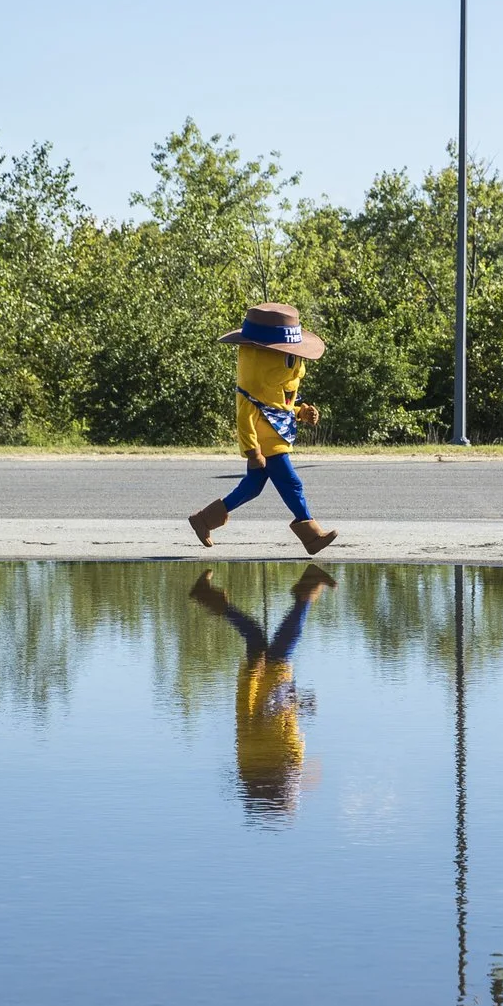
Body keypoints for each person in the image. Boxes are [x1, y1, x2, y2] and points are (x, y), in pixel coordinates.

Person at [188, 301, 338, 554]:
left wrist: (303, 412)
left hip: (273, 441)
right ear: (257, 356)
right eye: (290, 359)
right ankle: (311, 535)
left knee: (252, 488)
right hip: (268, 446)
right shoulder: (249, 394)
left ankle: (203, 520)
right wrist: (252, 451)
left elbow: (283, 407)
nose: (297, 370)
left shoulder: (272, 392)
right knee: (292, 484)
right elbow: (244, 422)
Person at [189, 564, 334, 818]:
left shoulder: (260, 752)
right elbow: (285, 718)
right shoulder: (284, 756)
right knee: (259, 635)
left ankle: (305, 592)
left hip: (264, 678)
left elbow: (247, 710)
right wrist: (299, 702)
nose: (296, 777)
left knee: (267, 639)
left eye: (290, 783)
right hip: (276, 682)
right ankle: (206, 595)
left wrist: (253, 674)